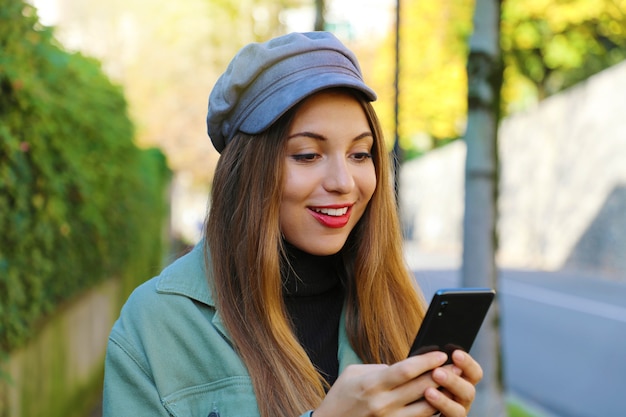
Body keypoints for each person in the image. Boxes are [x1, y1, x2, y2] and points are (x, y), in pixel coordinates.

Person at [103, 31, 483, 417]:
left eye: (359, 153)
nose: (343, 182)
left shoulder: (394, 303)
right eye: (307, 155)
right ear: (247, 172)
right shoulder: (156, 325)